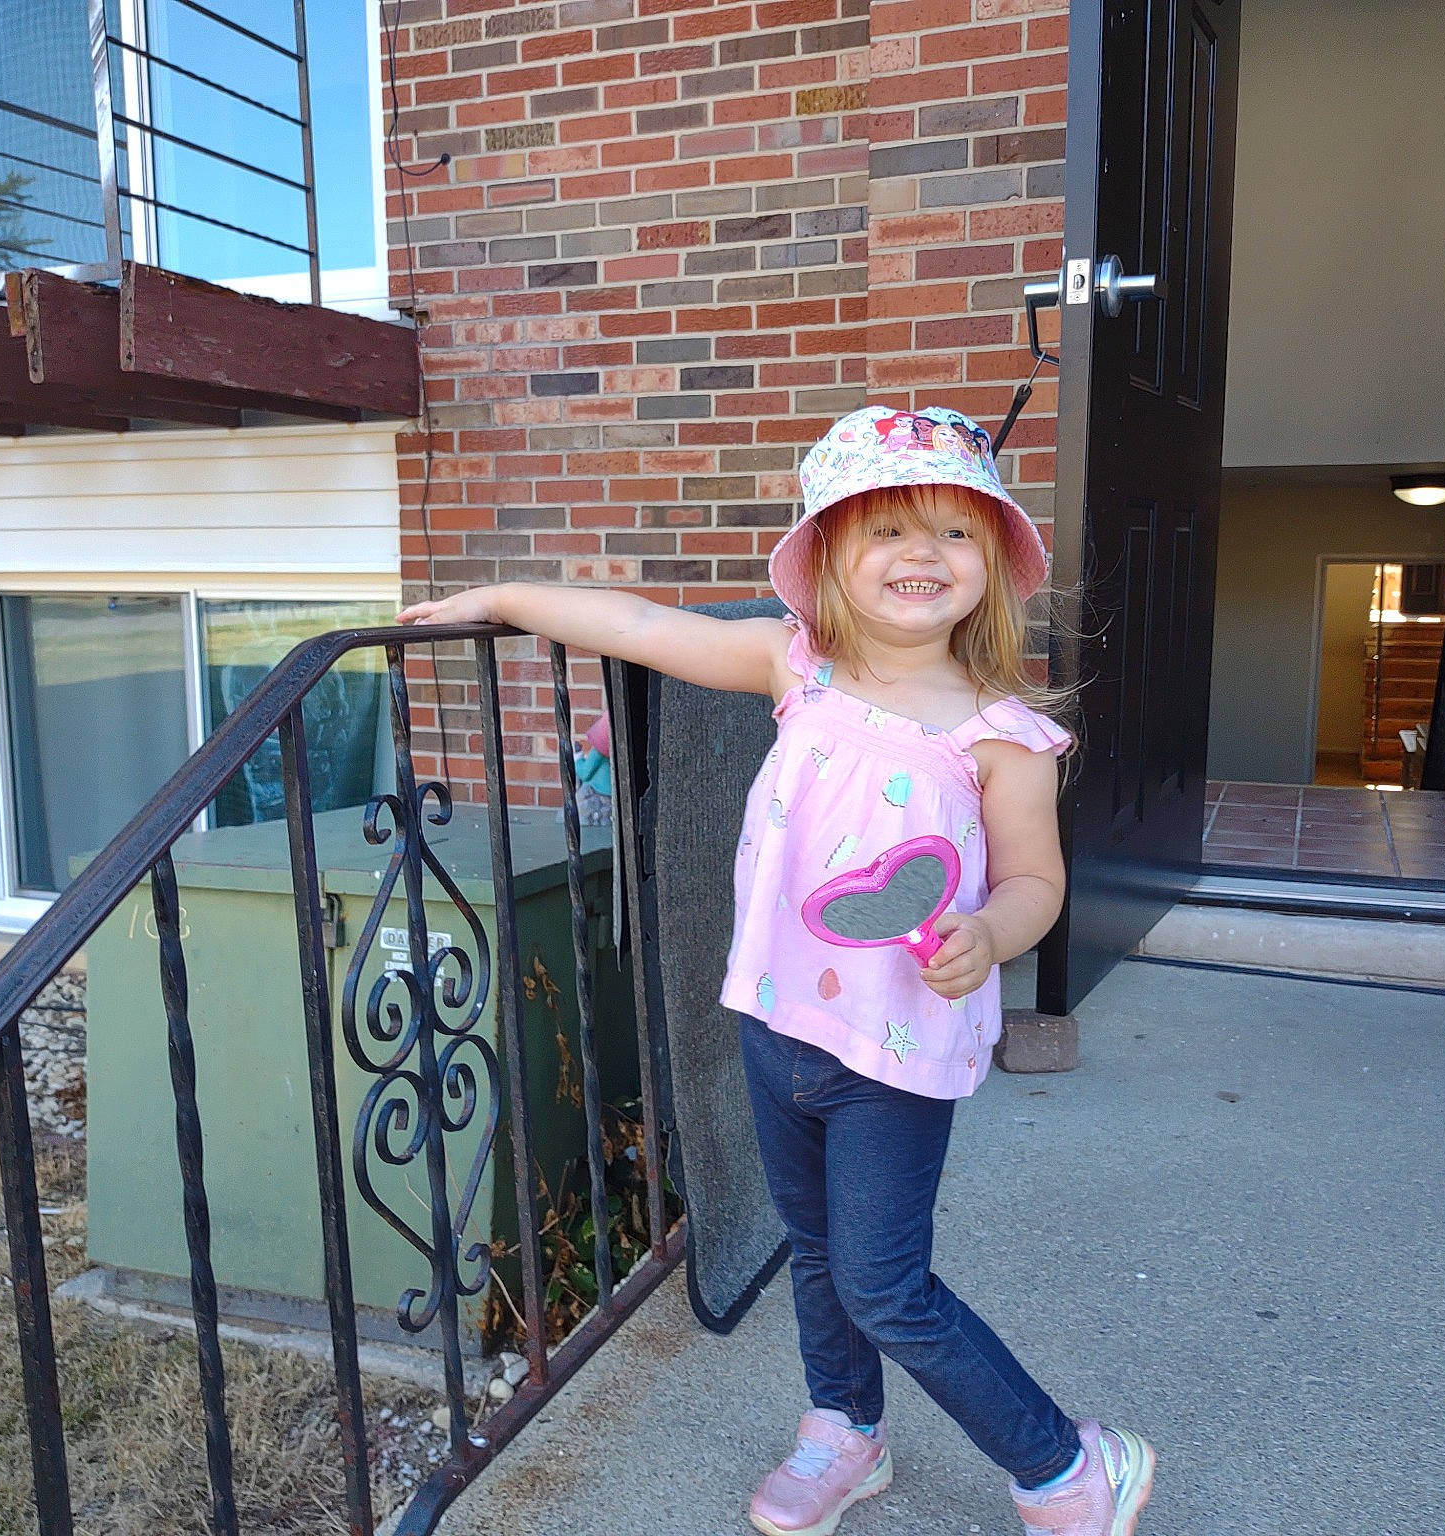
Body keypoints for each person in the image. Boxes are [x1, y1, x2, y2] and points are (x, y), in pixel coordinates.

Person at [399, 405, 1154, 1536]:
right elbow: (638, 623)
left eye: (952, 533)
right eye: (884, 531)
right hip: (778, 1025)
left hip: (895, 1049)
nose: (919, 556)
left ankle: (1066, 1462)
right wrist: (505, 600)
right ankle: (843, 1429)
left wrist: (993, 935)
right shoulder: (789, 665)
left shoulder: (999, 735)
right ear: (827, 560)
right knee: (817, 1251)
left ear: (990, 562)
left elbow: (1037, 884)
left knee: (884, 1284)